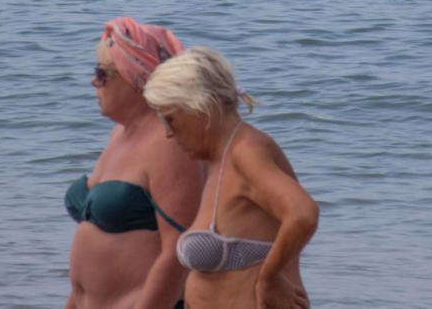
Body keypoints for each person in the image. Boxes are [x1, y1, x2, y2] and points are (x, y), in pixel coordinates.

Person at [143, 48, 318, 309]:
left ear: (200, 108)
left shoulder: (245, 152)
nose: (168, 133)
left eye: (170, 119)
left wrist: (269, 280)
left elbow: (302, 213)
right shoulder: (220, 161)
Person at [64, 17, 205, 309]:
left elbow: (178, 254)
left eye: (101, 73)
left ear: (134, 77)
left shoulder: (170, 144)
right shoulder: (120, 134)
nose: (93, 81)